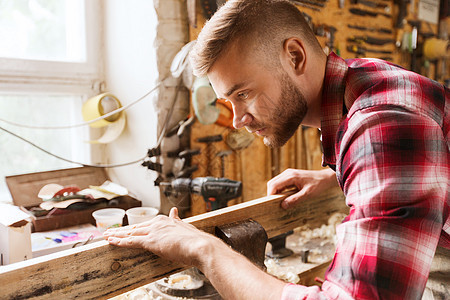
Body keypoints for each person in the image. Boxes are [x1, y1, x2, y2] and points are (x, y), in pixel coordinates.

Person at [103, 0, 449, 299]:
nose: (237, 120)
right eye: (228, 100)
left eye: (244, 94)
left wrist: (205, 250)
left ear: (295, 56)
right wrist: (333, 174)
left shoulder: (382, 124)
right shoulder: (363, 81)